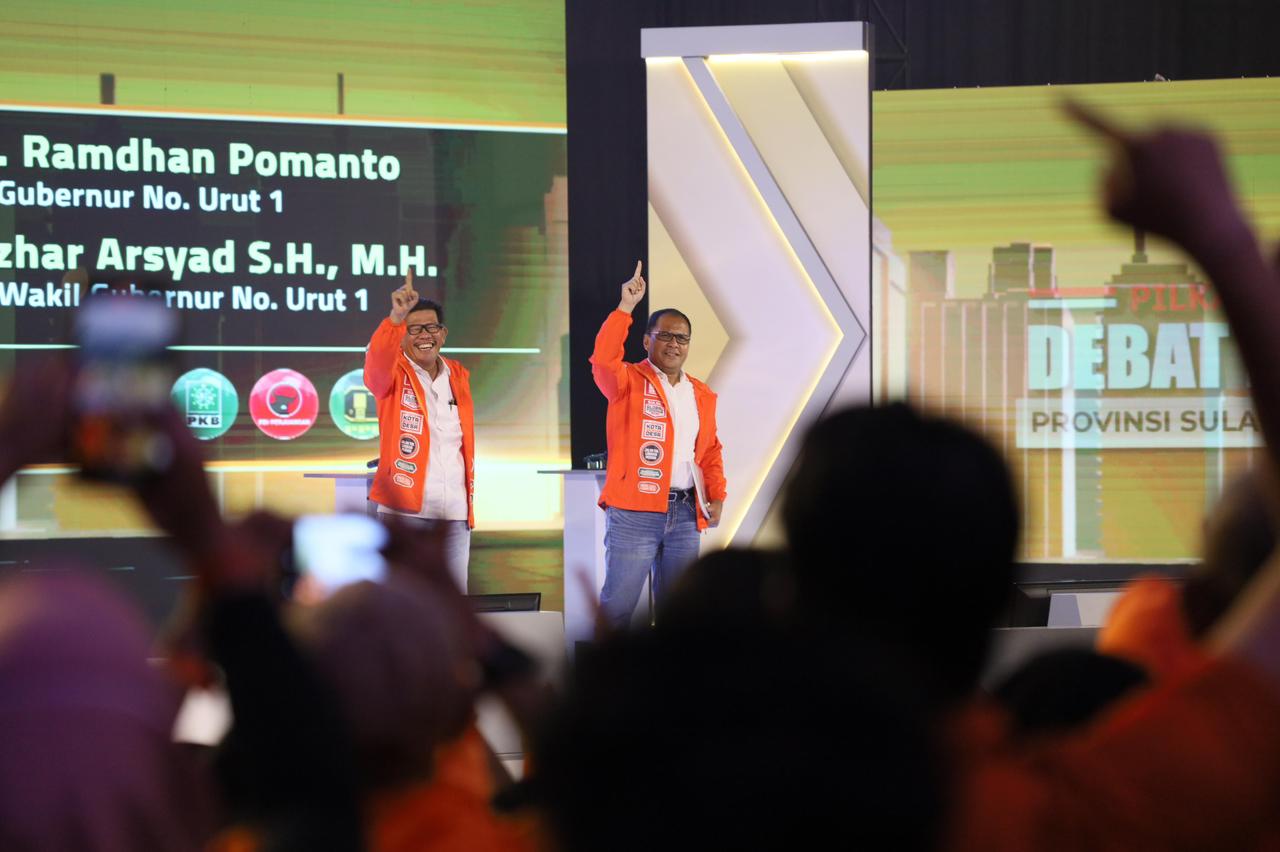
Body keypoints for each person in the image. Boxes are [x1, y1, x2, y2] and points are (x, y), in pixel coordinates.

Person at [590, 261, 726, 627]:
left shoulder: (700, 393)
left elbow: (709, 450)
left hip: (686, 513)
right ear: (647, 340)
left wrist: (716, 495)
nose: (674, 344)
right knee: (618, 608)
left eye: (682, 338)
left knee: (680, 614)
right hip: (634, 512)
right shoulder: (627, 380)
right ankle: (605, 667)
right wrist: (625, 307)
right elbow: (603, 361)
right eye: (665, 336)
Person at [364, 272, 476, 591]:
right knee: (402, 599)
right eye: (414, 329)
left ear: (443, 334)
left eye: (431, 328)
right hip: (404, 511)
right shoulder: (392, 373)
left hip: (454, 512)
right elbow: (376, 365)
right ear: (402, 335)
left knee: (452, 600)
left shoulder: (458, 375)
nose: (424, 335)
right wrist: (395, 318)